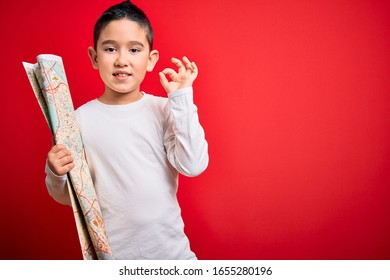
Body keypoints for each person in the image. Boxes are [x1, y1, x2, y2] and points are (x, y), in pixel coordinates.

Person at [44, 0, 208, 260]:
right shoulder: (77, 121)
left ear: (151, 59)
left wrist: (182, 98)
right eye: (110, 49)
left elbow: (193, 164)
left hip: (173, 257)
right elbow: (69, 197)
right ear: (94, 57)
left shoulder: (166, 109)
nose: (122, 60)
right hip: (114, 259)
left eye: (134, 49)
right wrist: (56, 172)